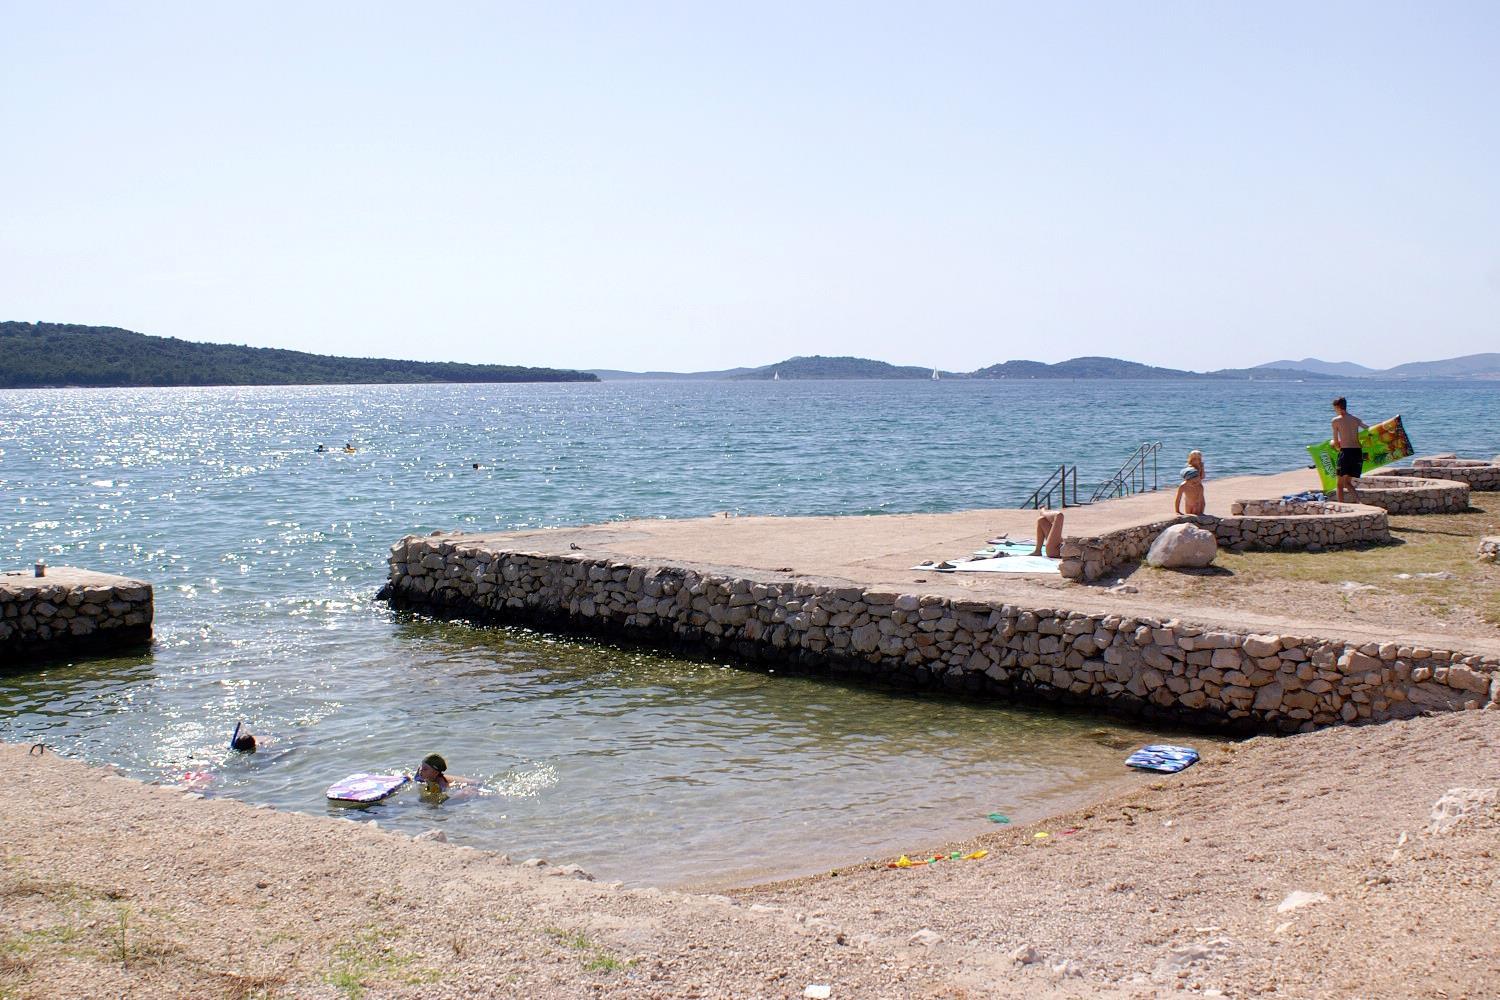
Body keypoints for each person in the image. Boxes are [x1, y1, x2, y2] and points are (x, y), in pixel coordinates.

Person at [1330, 396, 1368, 502]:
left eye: (1334, 409)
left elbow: (1336, 442)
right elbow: (1369, 429)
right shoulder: (1356, 419)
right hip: (1357, 453)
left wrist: (1334, 445)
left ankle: (1341, 506)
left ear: (1338, 407)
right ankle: (1359, 502)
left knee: (1339, 484)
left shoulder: (1335, 421)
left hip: (1346, 453)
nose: (1334, 411)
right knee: (1347, 482)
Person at [1175, 451, 1206, 515]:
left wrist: (1202, 468)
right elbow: (1178, 499)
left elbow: (1202, 477)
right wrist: (1177, 511)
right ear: (1191, 459)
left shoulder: (1200, 466)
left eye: (1199, 459)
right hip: (1189, 492)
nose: (1197, 461)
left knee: (1199, 507)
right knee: (1190, 512)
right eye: (1195, 459)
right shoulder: (1189, 469)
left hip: (1197, 489)